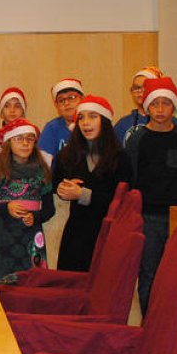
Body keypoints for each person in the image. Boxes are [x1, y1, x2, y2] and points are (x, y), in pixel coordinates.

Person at [126, 77, 177, 315]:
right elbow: (131, 179)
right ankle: (149, 323)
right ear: (146, 107)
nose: (159, 109)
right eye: (154, 104)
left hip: (176, 218)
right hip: (147, 217)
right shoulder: (137, 139)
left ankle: (169, 325)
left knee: (175, 274)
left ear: (174, 107)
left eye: (165, 104)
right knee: (148, 273)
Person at [54, 95, 133, 273]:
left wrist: (83, 195)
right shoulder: (68, 155)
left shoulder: (120, 157)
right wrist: (61, 188)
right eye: (81, 117)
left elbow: (123, 200)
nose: (85, 123)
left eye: (92, 116)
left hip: (108, 235)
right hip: (76, 235)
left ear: (104, 121)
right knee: (70, 288)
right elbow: (56, 182)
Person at [0, 120, 55, 280]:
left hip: (32, 235)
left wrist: (35, 217)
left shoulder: (42, 172)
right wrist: (6, 208)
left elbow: (50, 209)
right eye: (19, 138)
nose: (25, 143)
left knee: (33, 282)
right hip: (4, 237)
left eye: (30, 139)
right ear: (9, 143)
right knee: (2, 283)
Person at [114, 66, 177, 145]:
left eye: (145, 87)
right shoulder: (122, 124)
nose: (139, 91)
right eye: (136, 88)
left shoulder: (170, 122)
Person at [39, 78, 84, 155]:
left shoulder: (92, 124)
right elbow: (43, 162)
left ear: (82, 99)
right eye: (61, 100)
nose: (66, 103)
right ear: (56, 106)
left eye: (71, 97)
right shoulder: (52, 128)